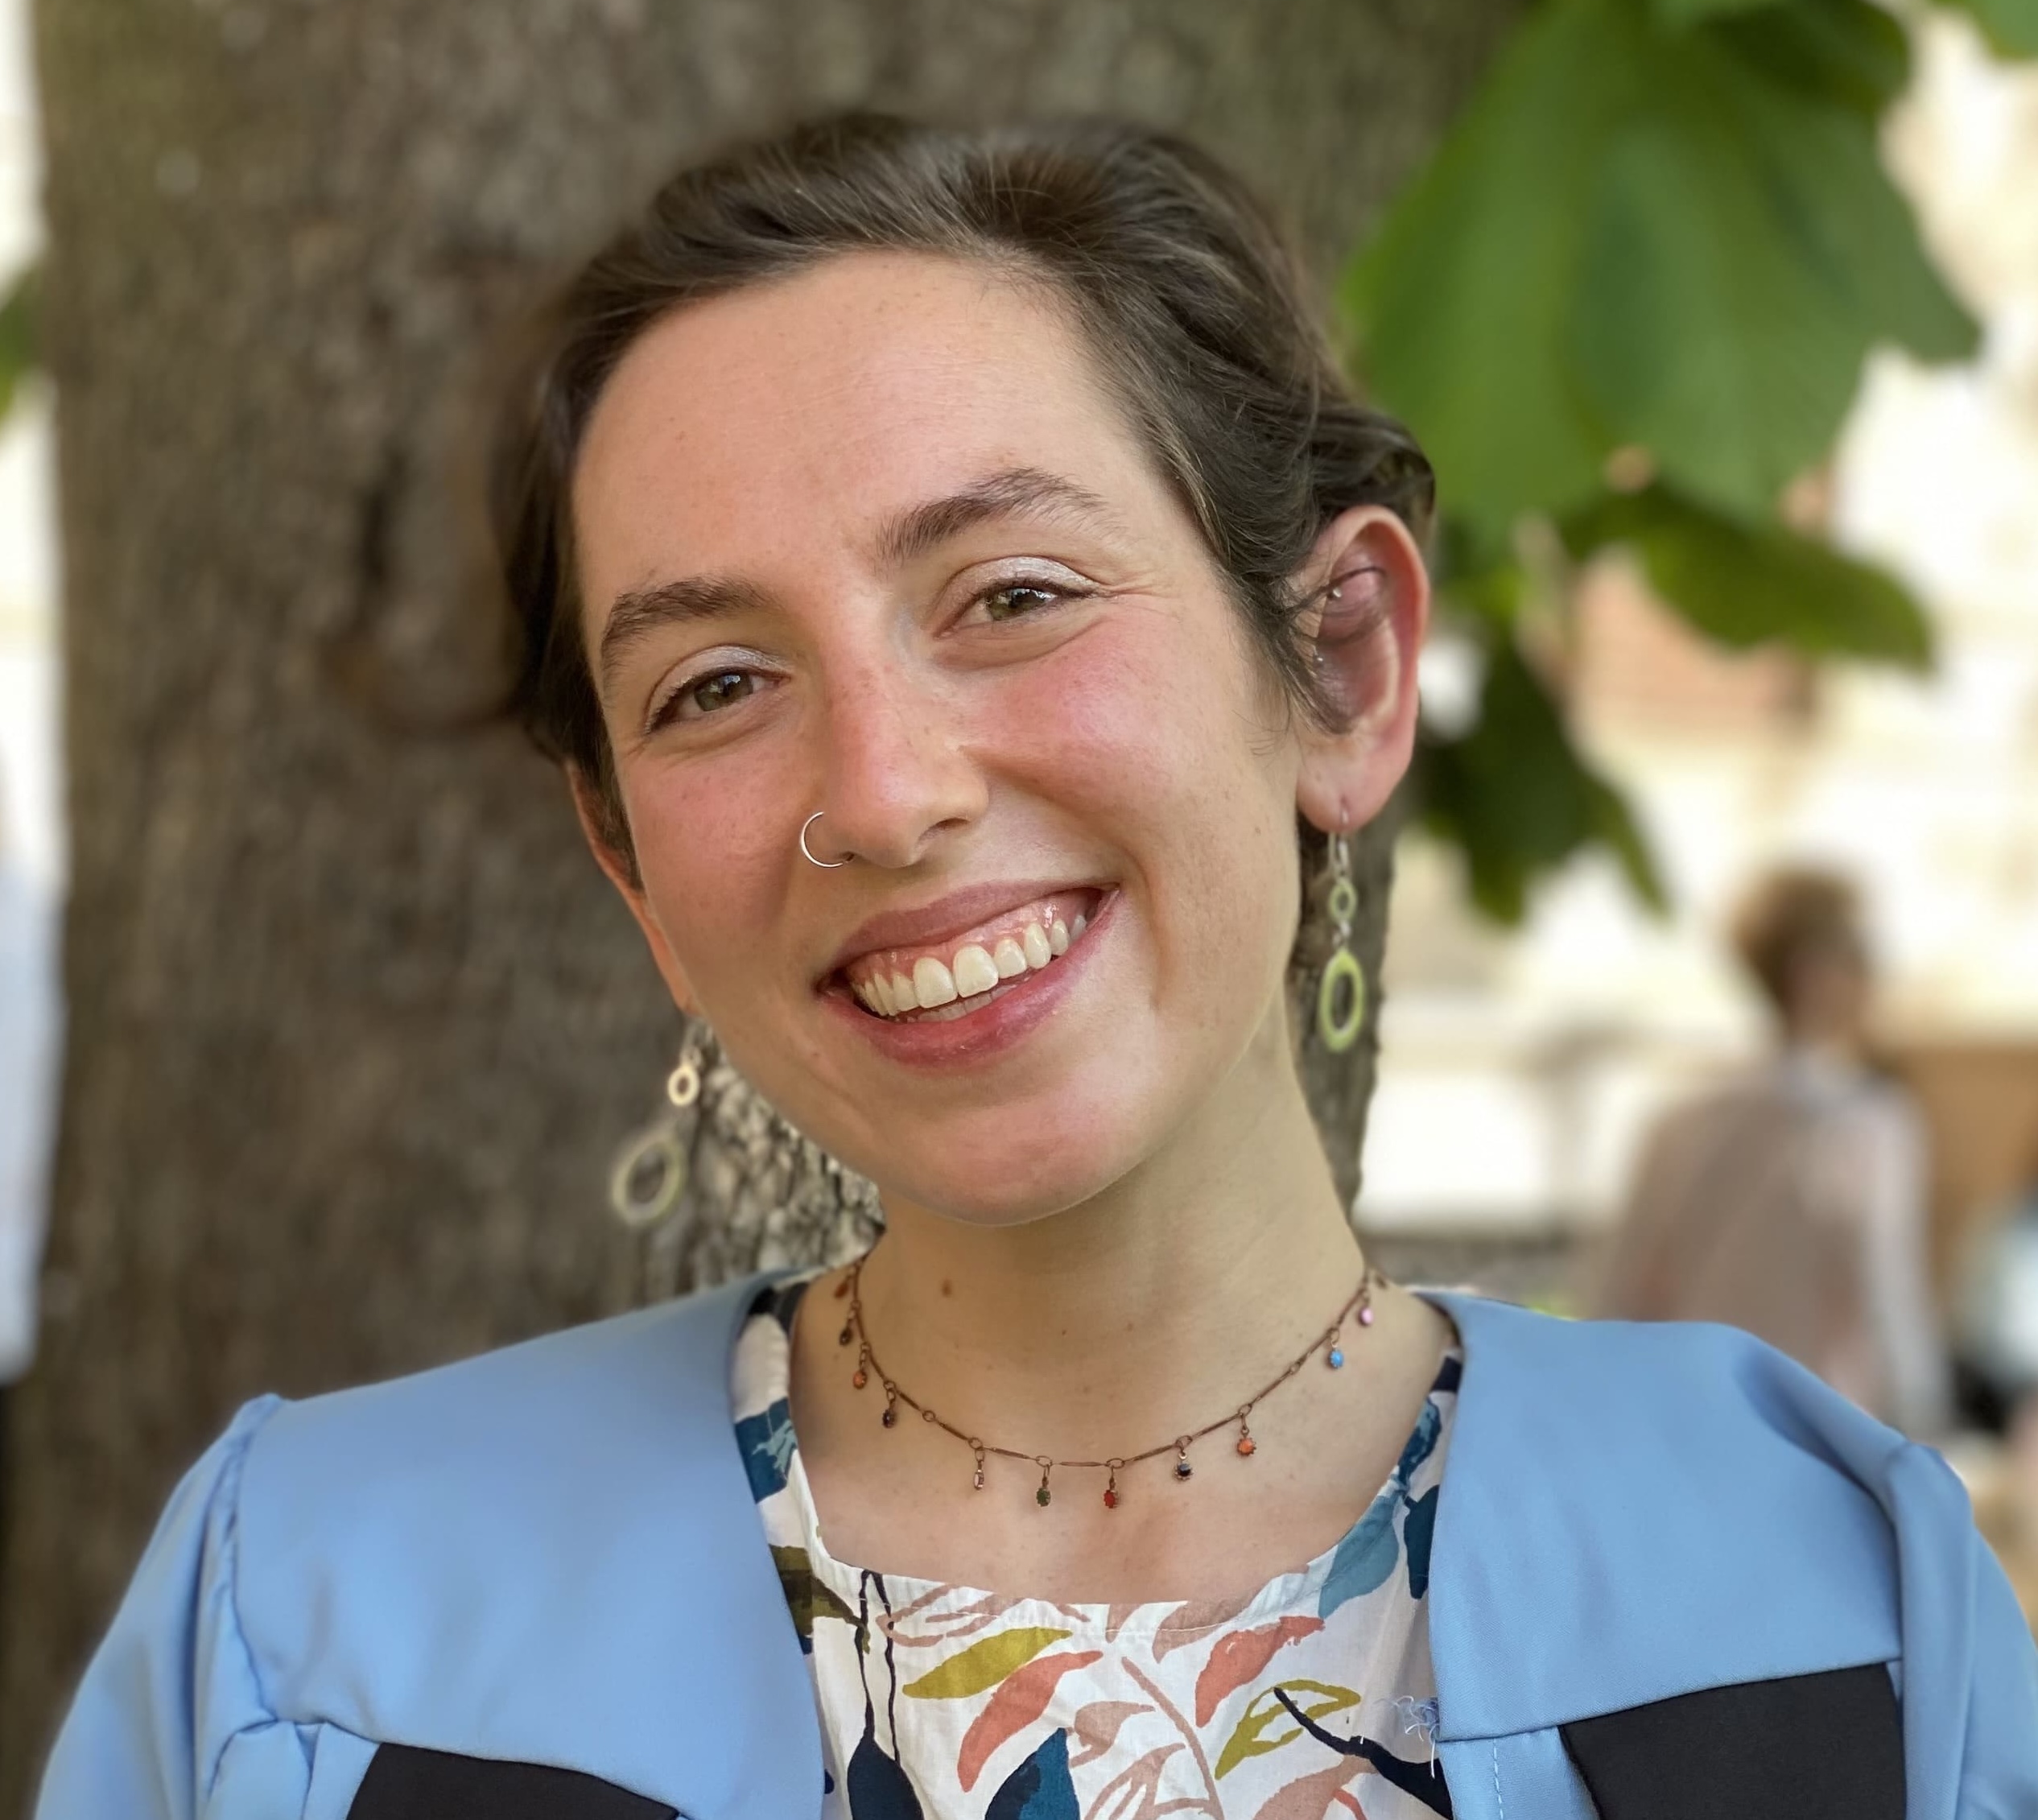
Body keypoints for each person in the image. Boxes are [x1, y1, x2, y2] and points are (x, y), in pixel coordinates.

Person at [36, 119, 2036, 1820]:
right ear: (630, 860)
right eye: (715, 681)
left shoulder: (1829, 1606)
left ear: (1337, 667)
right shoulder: (310, 1623)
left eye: (1010, 593)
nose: (885, 792)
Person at [1594, 867, 1950, 1439]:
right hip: (1818, 1439)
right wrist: (1925, 1432)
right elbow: (1888, 1296)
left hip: (1690, 1425)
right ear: (1815, 973)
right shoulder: (1868, 1125)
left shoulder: (1681, 1120)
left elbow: (1614, 1295)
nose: (1875, 982)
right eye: (1862, 961)